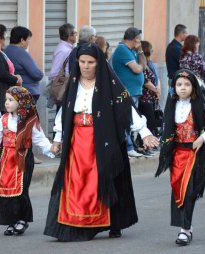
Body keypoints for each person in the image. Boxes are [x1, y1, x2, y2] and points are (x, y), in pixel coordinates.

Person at [44, 44, 159, 242]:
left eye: (90, 62)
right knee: (77, 182)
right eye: (82, 62)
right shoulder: (73, 83)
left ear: (99, 63)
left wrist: (144, 132)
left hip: (104, 139)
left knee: (106, 180)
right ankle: (77, 222)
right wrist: (57, 138)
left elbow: (127, 108)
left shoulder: (110, 84)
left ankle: (112, 222)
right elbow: (65, 111)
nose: (86, 66)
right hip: (77, 141)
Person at [155, 69, 205, 246]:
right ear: (174, 87)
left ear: (193, 87)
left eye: (186, 84)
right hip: (177, 155)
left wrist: (203, 138)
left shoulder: (201, 106)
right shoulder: (170, 106)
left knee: (190, 191)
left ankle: (184, 229)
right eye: (179, 85)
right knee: (179, 192)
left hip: (194, 155)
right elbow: (167, 130)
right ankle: (187, 226)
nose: (182, 88)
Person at [0, 86, 56, 236]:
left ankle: (22, 220)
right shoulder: (3, 119)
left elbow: (39, 138)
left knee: (21, 189)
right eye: (6, 100)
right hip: (6, 159)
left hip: (23, 158)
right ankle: (11, 220)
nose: (7, 103)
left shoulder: (30, 121)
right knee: (6, 189)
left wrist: (50, 148)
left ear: (21, 102)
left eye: (11, 100)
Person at [112, 27, 147, 158]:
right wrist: (140, 63)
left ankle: (131, 146)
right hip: (127, 92)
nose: (140, 42)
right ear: (135, 39)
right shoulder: (122, 50)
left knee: (133, 121)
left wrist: (141, 51)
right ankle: (128, 147)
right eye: (139, 40)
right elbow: (138, 69)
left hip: (134, 92)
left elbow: (144, 66)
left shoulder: (132, 51)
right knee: (127, 120)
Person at [5, 26, 43, 102]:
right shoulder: (21, 53)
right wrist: (41, 73)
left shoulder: (6, 50)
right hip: (27, 91)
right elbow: (36, 74)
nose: (29, 42)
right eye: (28, 39)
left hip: (12, 91)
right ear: (22, 40)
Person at [136, 40, 161, 157]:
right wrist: (156, 90)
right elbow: (145, 81)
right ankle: (142, 145)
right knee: (147, 122)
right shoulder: (142, 64)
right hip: (144, 98)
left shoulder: (148, 64)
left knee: (151, 123)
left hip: (150, 98)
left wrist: (157, 88)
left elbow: (156, 78)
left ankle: (146, 145)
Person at [166, 24, 187, 90]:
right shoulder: (175, 47)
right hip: (176, 80)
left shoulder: (174, 46)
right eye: (185, 33)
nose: (187, 35)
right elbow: (184, 63)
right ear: (181, 34)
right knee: (175, 100)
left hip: (175, 79)